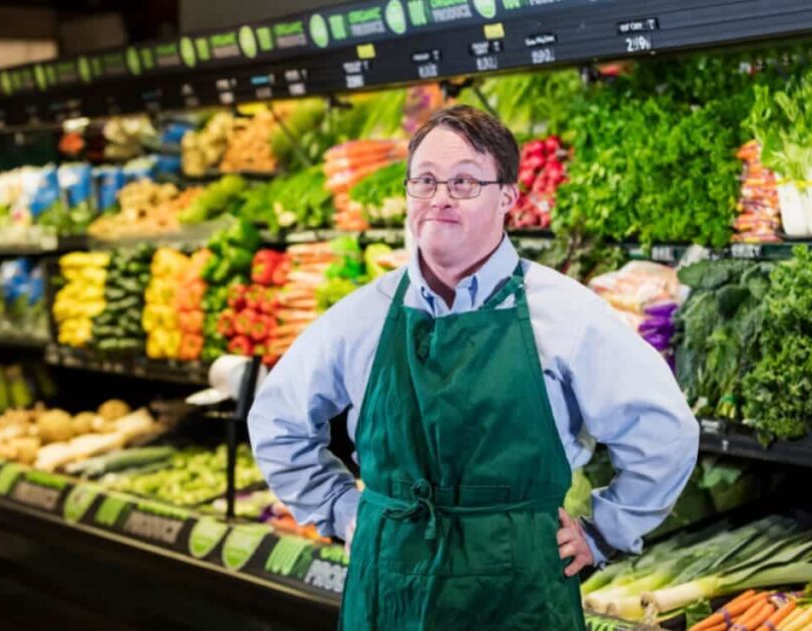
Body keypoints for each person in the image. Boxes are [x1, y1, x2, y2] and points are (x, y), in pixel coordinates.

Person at [248, 104, 699, 629]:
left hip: (518, 595)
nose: (439, 198)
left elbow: (665, 433)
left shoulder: (565, 314)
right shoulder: (360, 317)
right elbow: (276, 423)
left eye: (463, 182)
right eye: (425, 181)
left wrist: (605, 532)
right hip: (390, 593)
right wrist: (340, 511)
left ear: (507, 196)